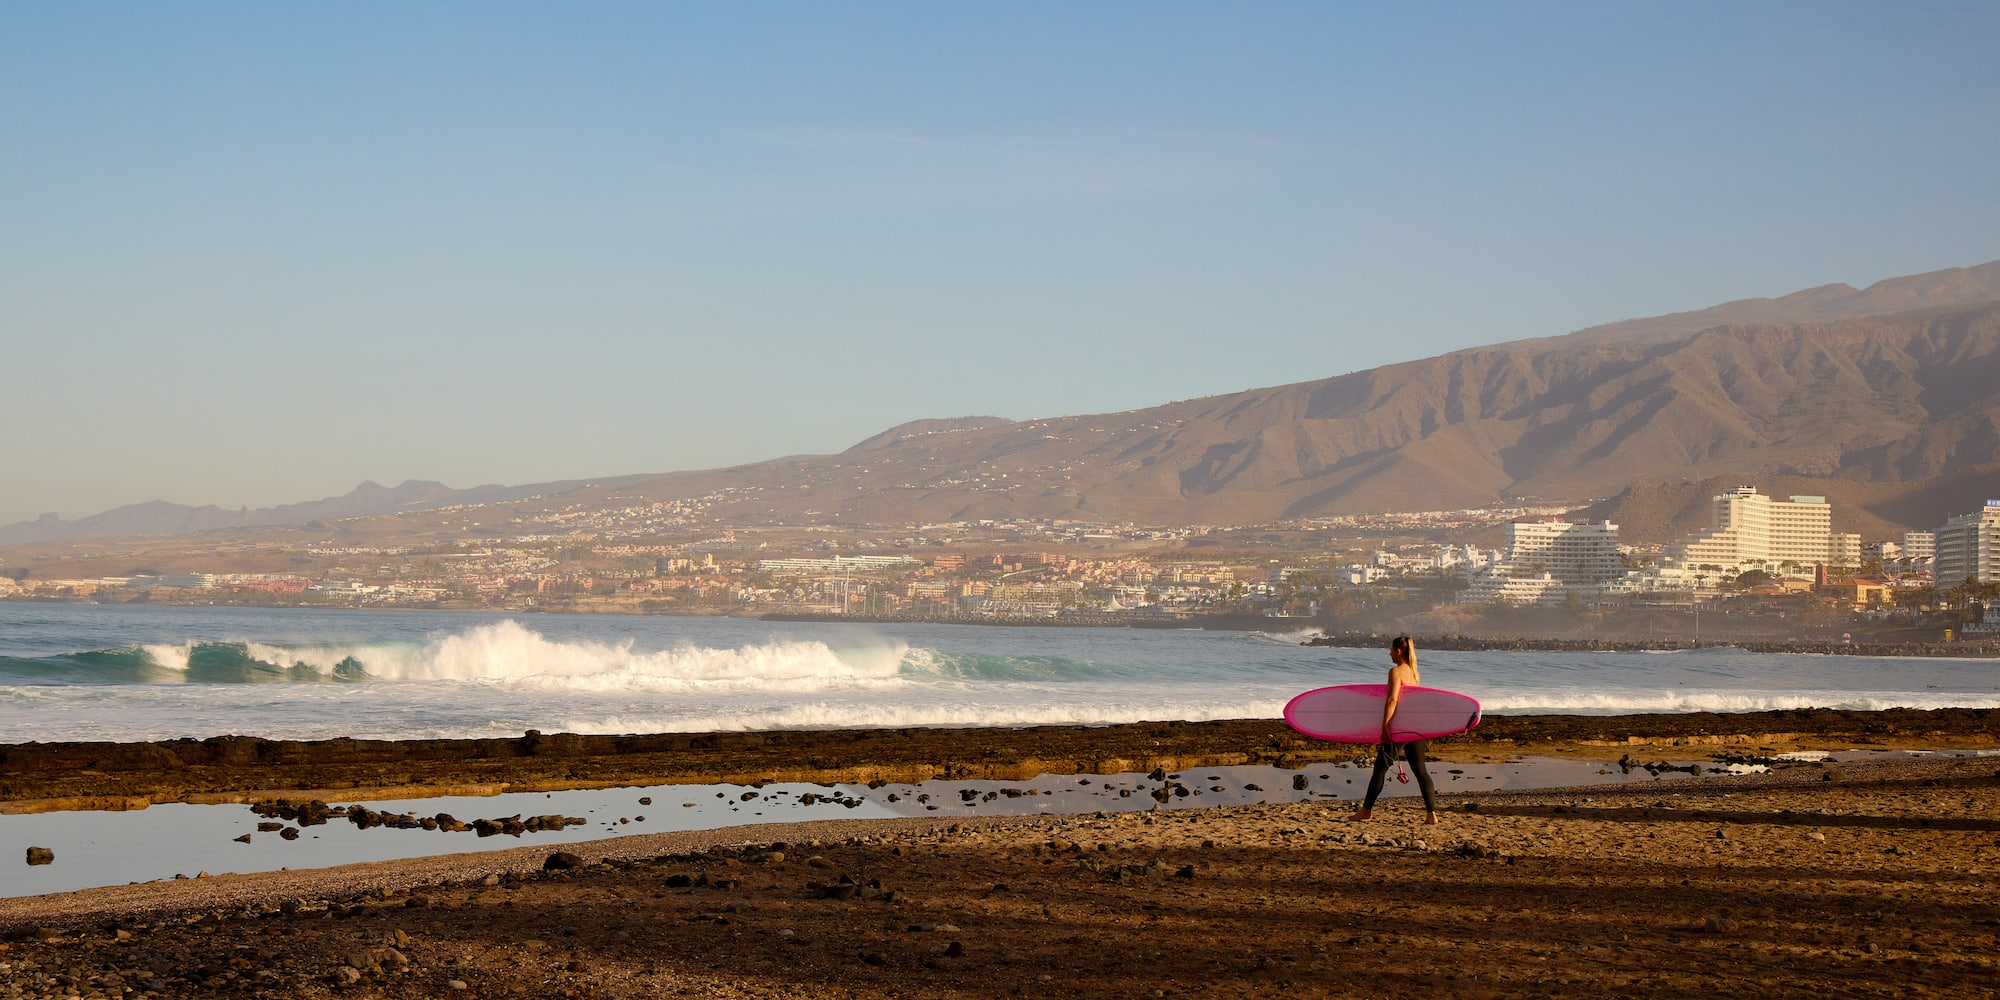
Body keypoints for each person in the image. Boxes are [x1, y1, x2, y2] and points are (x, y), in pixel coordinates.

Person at [1347, 635, 1439, 825]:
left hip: (1400, 728)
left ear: (1398, 651)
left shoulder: (1395, 672)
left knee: (1380, 769)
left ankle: (1366, 810)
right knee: (1421, 771)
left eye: (1391, 650)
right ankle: (1432, 815)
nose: (1389, 653)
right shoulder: (1415, 673)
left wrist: (1385, 726)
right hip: (1415, 726)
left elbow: (1392, 700)